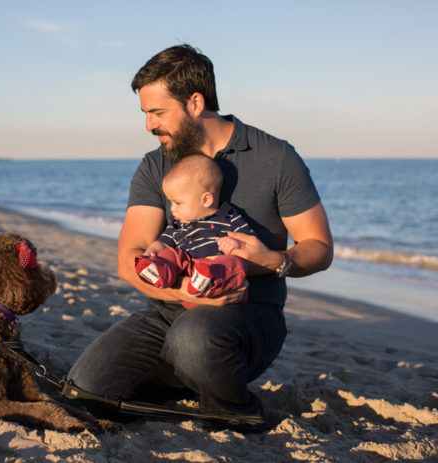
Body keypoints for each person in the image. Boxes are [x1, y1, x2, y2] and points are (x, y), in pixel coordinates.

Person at [67, 44, 333, 418]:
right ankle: (183, 382)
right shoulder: (155, 165)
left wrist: (275, 261)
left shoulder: (276, 157)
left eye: (157, 112)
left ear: (195, 103)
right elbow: (131, 258)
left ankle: (236, 410)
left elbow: (319, 247)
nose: (149, 125)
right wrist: (184, 291)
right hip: (168, 308)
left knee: (192, 339)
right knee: (85, 390)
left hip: (246, 315)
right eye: (145, 114)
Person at [135, 153, 254, 302]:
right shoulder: (179, 222)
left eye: (178, 203)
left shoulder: (229, 217)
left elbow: (250, 242)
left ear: (205, 200)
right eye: (171, 203)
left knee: (236, 265)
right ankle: (158, 272)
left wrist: (236, 244)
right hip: (188, 272)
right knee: (173, 255)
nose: (172, 209)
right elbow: (166, 240)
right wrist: (155, 248)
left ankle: (206, 279)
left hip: (216, 267)